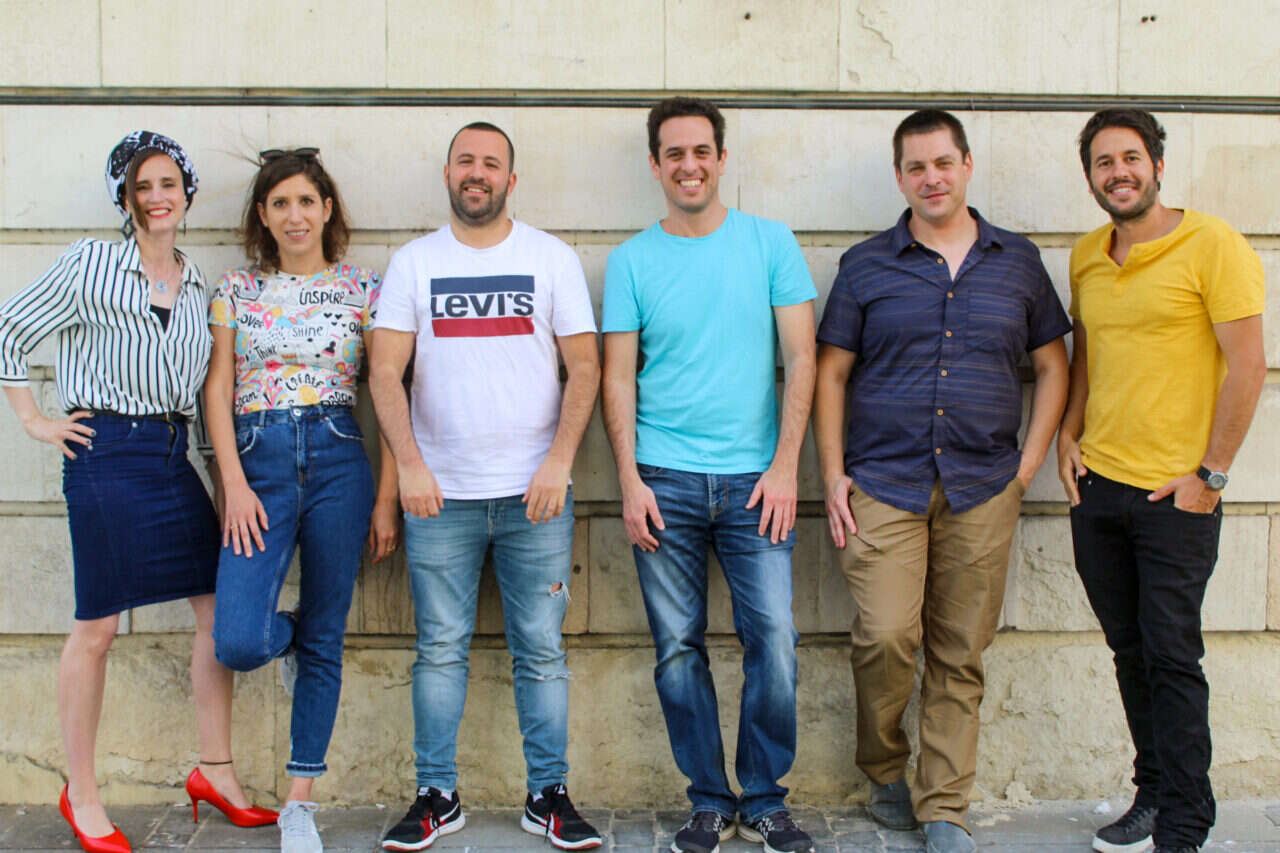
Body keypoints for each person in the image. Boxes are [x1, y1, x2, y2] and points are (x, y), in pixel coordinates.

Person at [0, 131, 274, 853]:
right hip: (105, 455)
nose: (156, 197)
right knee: (97, 627)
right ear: (124, 199)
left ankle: (214, 769)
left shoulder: (197, 281)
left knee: (216, 609)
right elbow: (8, 330)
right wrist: (35, 419)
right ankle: (81, 792)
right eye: (141, 187)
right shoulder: (91, 263)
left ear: (186, 193)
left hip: (171, 456)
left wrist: (223, 482)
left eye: (167, 184)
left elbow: (205, 395)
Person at [812, 109, 1070, 853]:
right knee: (886, 636)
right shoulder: (866, 265)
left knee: (960, 649)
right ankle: (884, 767)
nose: (932, 178)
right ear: (899, 177)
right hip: (882, 482)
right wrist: (832, 475)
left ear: (967, 166)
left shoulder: (1018, 262)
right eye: (916, 167)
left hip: (984, 484)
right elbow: (831, 374)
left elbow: (1053, 366)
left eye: (943, 163)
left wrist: (1027, 467)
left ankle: (945, 803)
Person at [369, 121, 601, 852]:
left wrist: (559, 460)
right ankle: (436, 795)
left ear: (511, 179)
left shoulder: (550, 258)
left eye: (491, 163)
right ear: (447, 174)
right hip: (441, 497)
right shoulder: (414, 263)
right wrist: (410, 465)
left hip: (537, 496)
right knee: (440, 648)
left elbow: (585, 368)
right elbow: (384, 372)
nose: (478, 172)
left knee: (542, 651)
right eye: (465, 161)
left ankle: (548, 796)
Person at [601, 96, 817, 853]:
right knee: (676, 648)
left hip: (758, 482)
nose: (688, 165)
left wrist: (787, 466)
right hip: (664, 479)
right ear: (655, 164)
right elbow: (617, 377)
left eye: (701, 151)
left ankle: (764, 798)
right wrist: (629, 481)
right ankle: (707, 800)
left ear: (721, 159)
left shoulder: (770, 242)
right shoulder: (631, 260)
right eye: (674, 153)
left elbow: (803, 359)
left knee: (775, 640)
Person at [1058, 108, 1266, 853]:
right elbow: (1089, 355)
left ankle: (1185, 819)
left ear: (1157, 166)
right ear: (1090, 177)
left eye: (1130, 158)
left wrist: (1211, 475)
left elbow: (1249, 366)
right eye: (1103, 162)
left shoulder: (1213, 244)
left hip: (1177, 494)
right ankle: (1152, 793)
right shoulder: (1087, 255)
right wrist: (1068, 432)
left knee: (1172, 655)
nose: (1118, 172)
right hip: (1099, 489)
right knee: (1129, 651)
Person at [203, 147, 400, 853]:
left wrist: (387, 496)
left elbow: (388, 391)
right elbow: (216, 387)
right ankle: (292, 636)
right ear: (263, 214)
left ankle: (299, 804)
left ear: (327, 210)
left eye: (306, 202)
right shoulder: (236, 288)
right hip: (258, 461)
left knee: (328, 635)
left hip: (340, 455)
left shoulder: (363, 287)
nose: (295, 215)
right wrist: (232, 482)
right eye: (280, 203)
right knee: (238, 639)